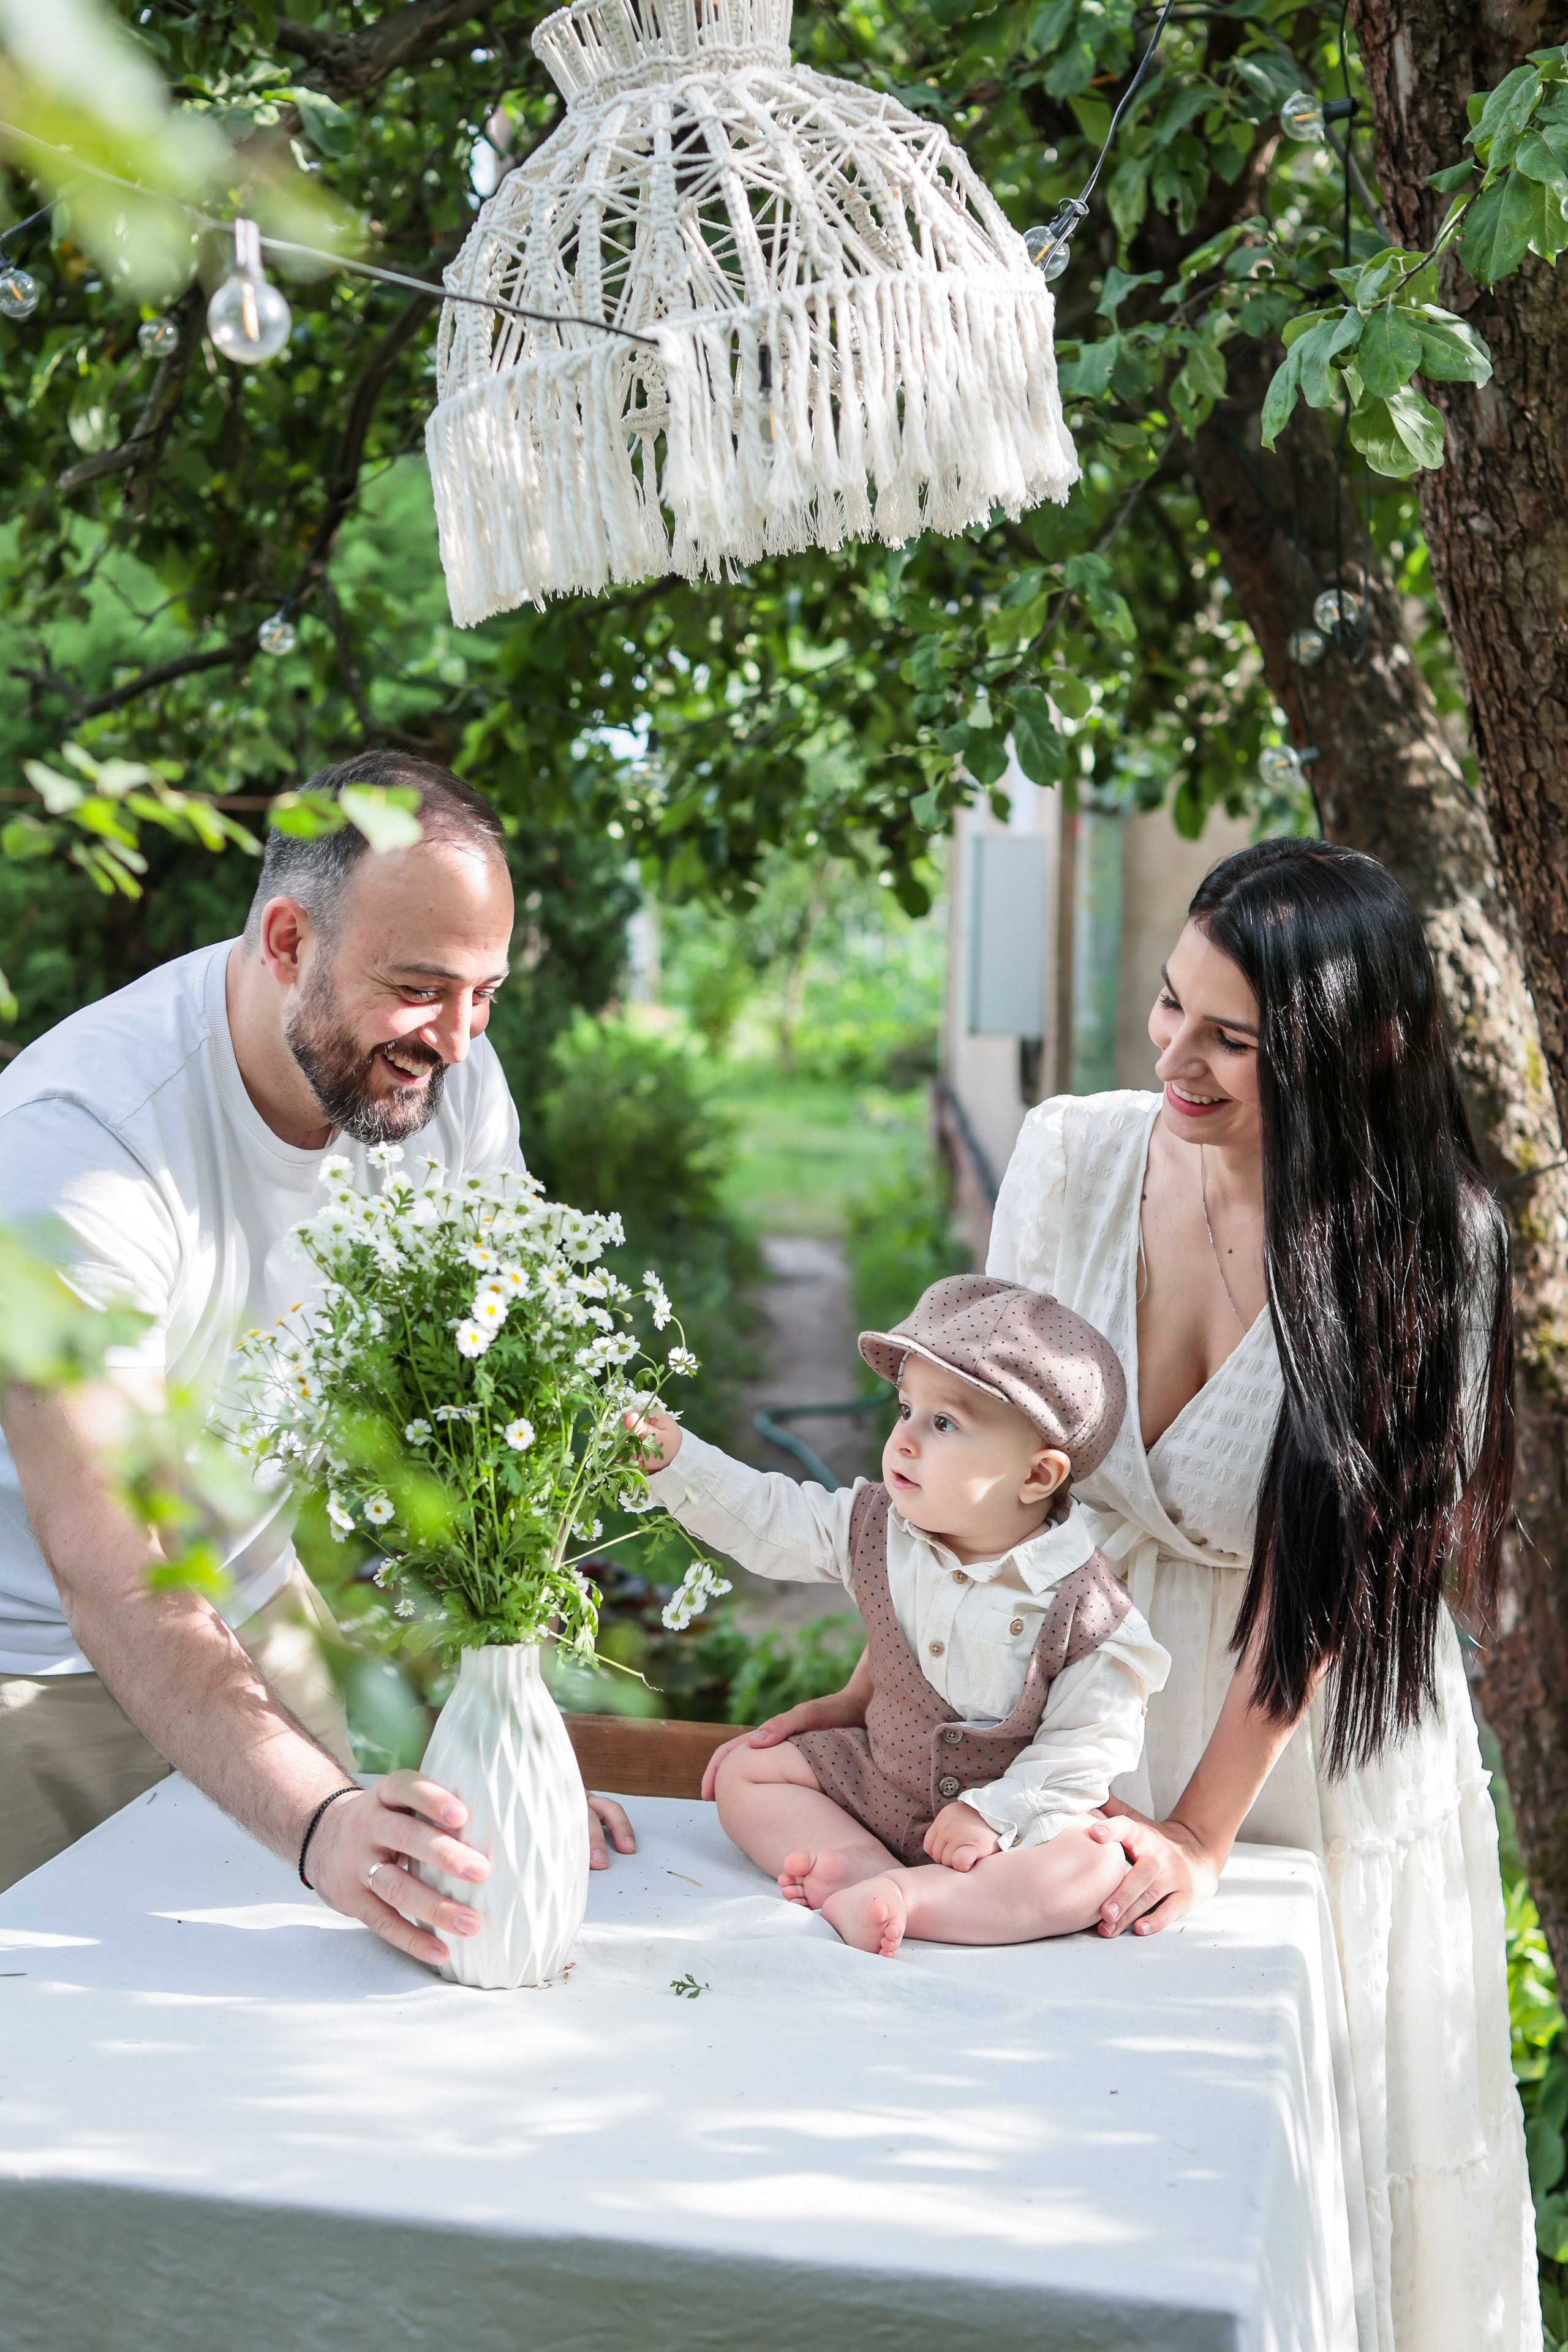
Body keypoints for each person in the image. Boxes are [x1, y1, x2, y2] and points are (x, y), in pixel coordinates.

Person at [707, 840, 1536, 2351]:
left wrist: (1198, 1832)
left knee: (1277, 2154)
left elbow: (1334, 1578)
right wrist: (877, 1687)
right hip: (1070, 1695)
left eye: (1231, 1039)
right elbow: (979, 1488)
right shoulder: (1072, 1153)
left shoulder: (1428, 1242)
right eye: (1167, 1009)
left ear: (1358, 1048)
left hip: (1279, 1738)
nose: (1176, 1057)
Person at [0, 752, 635, 1958]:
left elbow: (494, 1398)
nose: (456, 1040)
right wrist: (319, 1823)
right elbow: (120, 1579)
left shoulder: (443, 1078)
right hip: (31, 1659)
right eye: (418, 988)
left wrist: (502, 1722)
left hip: (248, 1607)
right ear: (286, 941)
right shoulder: (77, 1154)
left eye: (486, 993)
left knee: (406, 1944)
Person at [636, 1274, 1169, 1956]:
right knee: (747, 1771)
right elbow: (773, 1519)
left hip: (1004, 1829)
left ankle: (915, 1901)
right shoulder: (877, 1527)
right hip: (881, 1783)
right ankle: (867, 1871)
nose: (905, 1441)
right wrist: (678, 1461)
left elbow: (1085, 1748)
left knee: (1092, 1866)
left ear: (1037, 1477)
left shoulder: (1087, 1611)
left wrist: (993, 1815)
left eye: (943, 1423)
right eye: (904, 1410)